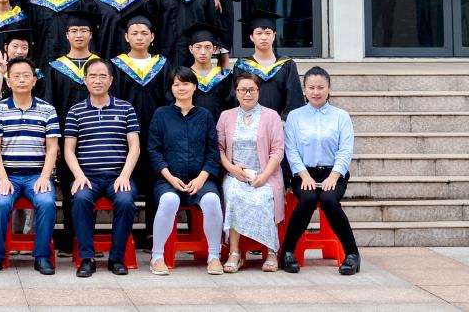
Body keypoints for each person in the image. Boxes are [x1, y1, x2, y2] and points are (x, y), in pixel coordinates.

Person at [64, 59, 142, 278]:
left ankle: (116, 258)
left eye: (102, 76)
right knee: (80, 199)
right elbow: (68, 150)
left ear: (111, 80)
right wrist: (79, 175)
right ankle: (87, 258)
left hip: (118, 176)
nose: (97, 81)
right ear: (85, 80)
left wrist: (125, 175)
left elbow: (134, 147)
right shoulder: (75, 111)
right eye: (92, 76)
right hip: (87, 177)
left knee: (125, 201)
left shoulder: (125, 108)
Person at [0, 57, 59, 276]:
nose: (22, 80)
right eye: (16, 76)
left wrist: (44, 177)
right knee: (0, 203)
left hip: (37, 174)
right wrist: (2, 178)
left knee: (46, 203)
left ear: (34, 80)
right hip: (9, 175)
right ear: (8, 81)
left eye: (26, 75)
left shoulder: (47, 109)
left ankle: (42, 257)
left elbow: (52, 147)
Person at [281, 66, 360, 276]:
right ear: (304, 90)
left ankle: (352, 254)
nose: (316, 92)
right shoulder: (295, 116)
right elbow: (291, 149)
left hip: (333, 173)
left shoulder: (341, 116)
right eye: (311, 87)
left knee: (328, 200)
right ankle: (288, 252)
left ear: (329, 88)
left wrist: (334, 176)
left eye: (320, 87)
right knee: (307, 199)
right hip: (303, 174)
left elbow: (345, 150)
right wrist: (303, 175)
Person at [148, 67, 224, 276]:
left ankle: (214, 256)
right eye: (176, 84)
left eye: (186, 83)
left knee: (212, 200)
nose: (181, 88)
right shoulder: (161, 115)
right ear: (171, 88)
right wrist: (170, 178)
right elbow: (153, 151)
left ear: (195, 86)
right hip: (168, 179)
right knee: (169, 200)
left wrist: (201, 178)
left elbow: (213, 151)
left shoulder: (205, 116)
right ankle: (157, 257)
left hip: (200, 179)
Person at [38, 8, 99, 257]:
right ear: (66, 35)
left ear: (91, 34)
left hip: (96, 139)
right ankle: (68, 240)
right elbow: (49, 105)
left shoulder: (100, 67)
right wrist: (55, 141)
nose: (79, 35)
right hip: (65, 139)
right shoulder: (55, 68)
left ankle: (88, 240)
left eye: (84, 30)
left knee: (91, 188)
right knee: (68, 187)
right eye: (74, 30)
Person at [109, 13, 171, 244]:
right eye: (134, 33)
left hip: (157, 132)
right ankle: (123, 231)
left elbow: (169, 98)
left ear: (152, 37)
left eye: (144, 33)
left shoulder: (163, 65)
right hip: (123, 133)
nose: (139, 37)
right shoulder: (115, 66)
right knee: (125, 179)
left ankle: (153, 231)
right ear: (126, 37)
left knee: (156, 178)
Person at [217, 71, 284, 273]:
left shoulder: (271, 116)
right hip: (235, 174)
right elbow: (219, 148)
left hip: (265, 175)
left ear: (259, 91)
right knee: (233, 195)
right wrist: (231, 168)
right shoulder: (226, 116)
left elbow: (278, 150)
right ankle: (234, 253)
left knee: (264, 197)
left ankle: (271, 251)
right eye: (243, 90)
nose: (247, 94)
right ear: (236, 92)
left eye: (252, 90)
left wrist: (264, 176)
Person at [233, 10, 304, 120]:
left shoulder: (287, 65)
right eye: (259, 33)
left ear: (274, 36)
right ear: (251, 37)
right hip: (249, 123)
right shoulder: (242, 66)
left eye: (267, 33)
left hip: (281, 123)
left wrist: (283, 121)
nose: (264, 37)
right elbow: (235, 99)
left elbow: (294, 98)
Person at [184, 21, 234, 123]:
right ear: (191, 49)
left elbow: (232, 107)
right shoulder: (184, 77)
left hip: (219, 128)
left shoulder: (225, 77)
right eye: (198, 47)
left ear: (214, 49)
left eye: (207, 47)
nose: (203, 52)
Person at [0, 28, 40, 105]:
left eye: (24, 47)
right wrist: (1, 74)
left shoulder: (36, 73)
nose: (19, 51)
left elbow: (41, 98)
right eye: (15, 46)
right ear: (6, 47)